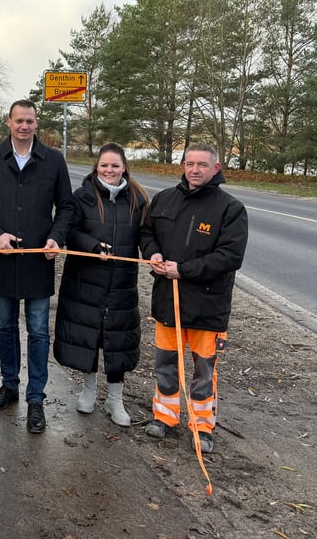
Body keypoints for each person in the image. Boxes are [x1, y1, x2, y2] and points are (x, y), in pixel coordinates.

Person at [0, 99, 73, 434]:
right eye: (19, 121)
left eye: (29, 121)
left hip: (38, 262)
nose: (24, 126)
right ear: (8, 122)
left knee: (39, 332)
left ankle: (36, 398)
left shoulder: (53, 161)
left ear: (37, 123)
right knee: (5, 327)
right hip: (3, 261)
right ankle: (9, 385)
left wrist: (56, 238)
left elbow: (67, 208)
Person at [140, 142, 248, 454]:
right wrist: (153, 253)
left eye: (202, 164)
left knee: (203, 371)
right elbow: (146, 233)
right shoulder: (164, 200)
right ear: (183, 166)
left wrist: (184, 270)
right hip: (167, 303)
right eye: (190, 163)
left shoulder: (230, 209)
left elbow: (230, 256)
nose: (195, 170)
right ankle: (165, 416)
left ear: (216, 168)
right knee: (166, 364)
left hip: (207, 307)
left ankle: (202, 426)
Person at [53, 143, 149, 427]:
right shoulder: (82, 196)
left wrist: (155, 255)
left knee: (118, 339)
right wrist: (93, 246)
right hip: (86, 280)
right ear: (97, 167)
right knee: (90, 336)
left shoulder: (138, 199)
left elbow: (147, 236)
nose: (109, 170)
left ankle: (115, 399)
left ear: (124, 168)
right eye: (104, 165)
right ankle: (89, 390)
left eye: (115, 166)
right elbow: (70, 231)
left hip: (122, 282)